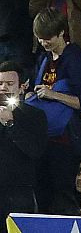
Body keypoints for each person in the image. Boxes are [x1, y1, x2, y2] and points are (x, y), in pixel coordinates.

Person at [0, 60, 45, 217]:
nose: (3, 88)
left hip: (18, 192)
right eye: (0, 83)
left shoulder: (35, 116)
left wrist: (11, 123)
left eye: (9, 83)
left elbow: (35, 151)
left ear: (22, 87)